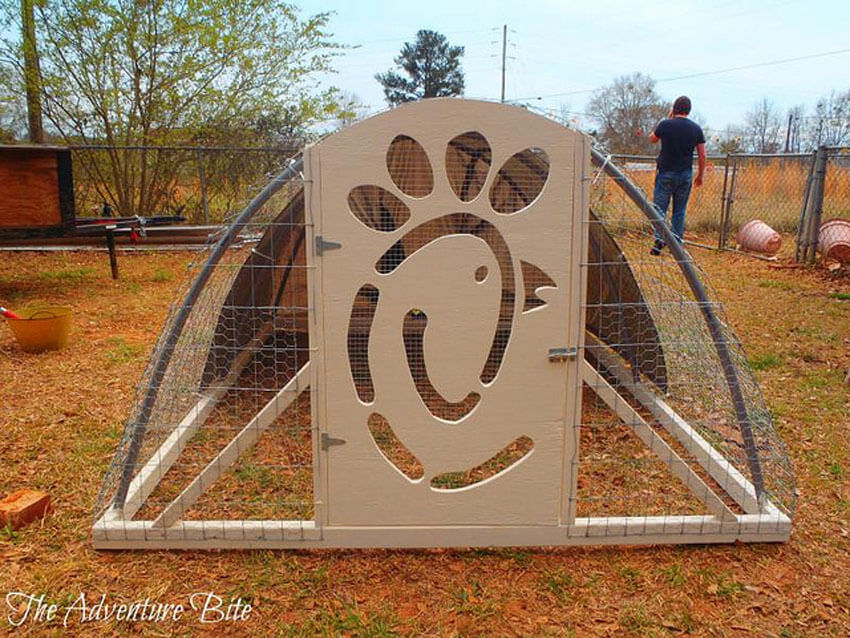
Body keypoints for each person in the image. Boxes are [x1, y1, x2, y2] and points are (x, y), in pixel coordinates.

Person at [648, 96, 706, 255]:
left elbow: (652, 139)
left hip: (665, 173)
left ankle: (659, 239)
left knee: (659, 209)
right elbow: (702, 155)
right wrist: (700, 175)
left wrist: (669, 118)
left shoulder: (665, 124)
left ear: (674, 108)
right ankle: (677, 243)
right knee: (679, 210)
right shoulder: (696, 129)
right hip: (685, 175)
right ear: (689, 110)